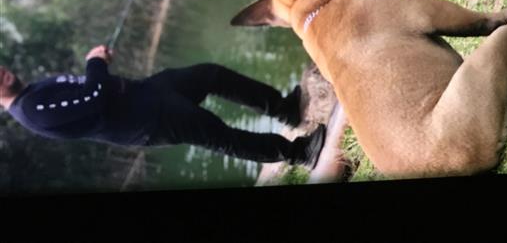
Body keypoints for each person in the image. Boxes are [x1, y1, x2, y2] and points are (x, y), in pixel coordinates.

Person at [0, 45, 326, 168]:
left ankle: (287, 110)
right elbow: (93, 99)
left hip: (145, 92)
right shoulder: (30, 110)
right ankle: (298, 153)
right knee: (219, 135)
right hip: (145, 121)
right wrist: (95, 63)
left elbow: (91, 91)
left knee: (210, 75)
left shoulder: (31, 92)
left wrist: (98, 65)